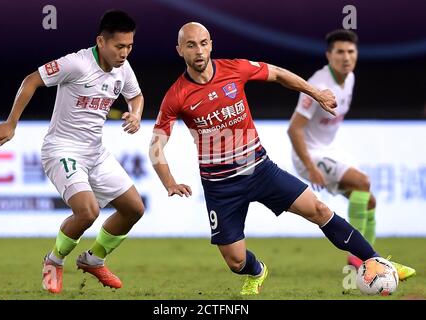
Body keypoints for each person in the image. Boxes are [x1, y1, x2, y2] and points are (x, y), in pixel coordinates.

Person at [149, 22, 416, 295]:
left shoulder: (234, 68)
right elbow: (156, 145)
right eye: (191, 45)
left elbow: (276, 74)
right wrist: (169, 181)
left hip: (261, 170)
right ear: (180, 49)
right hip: (221, 186)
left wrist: (316, 93)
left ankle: (375, 260)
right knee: (236, 261)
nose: (199, 50)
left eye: (204, 43)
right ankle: (257, 271)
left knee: (320, 210)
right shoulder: (176, 96)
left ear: (211, 44)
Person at [0, 10, 145, 294]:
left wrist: (136, 114)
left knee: (134, 209)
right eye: (119, 46)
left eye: (129, 46)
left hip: (95, 152)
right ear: (101, 41)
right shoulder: (76, 63)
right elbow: (31, 80)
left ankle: (94, 259)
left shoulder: (122, 68)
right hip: (62, 149)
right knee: (88, 212)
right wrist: (11, 123)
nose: (124, 53)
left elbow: (135, 95)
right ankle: (53, 260)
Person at [287, 30, 372, 268]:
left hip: (330, 150)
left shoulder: (350, 78)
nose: (346, 57)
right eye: (340, 52)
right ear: (329, 55)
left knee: (369, 201)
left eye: (351, 52)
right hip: (309, 155)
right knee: (362, 182)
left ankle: (373, 262)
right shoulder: (319, 85)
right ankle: (360, 260)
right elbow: (294, 130)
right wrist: (310, 167)